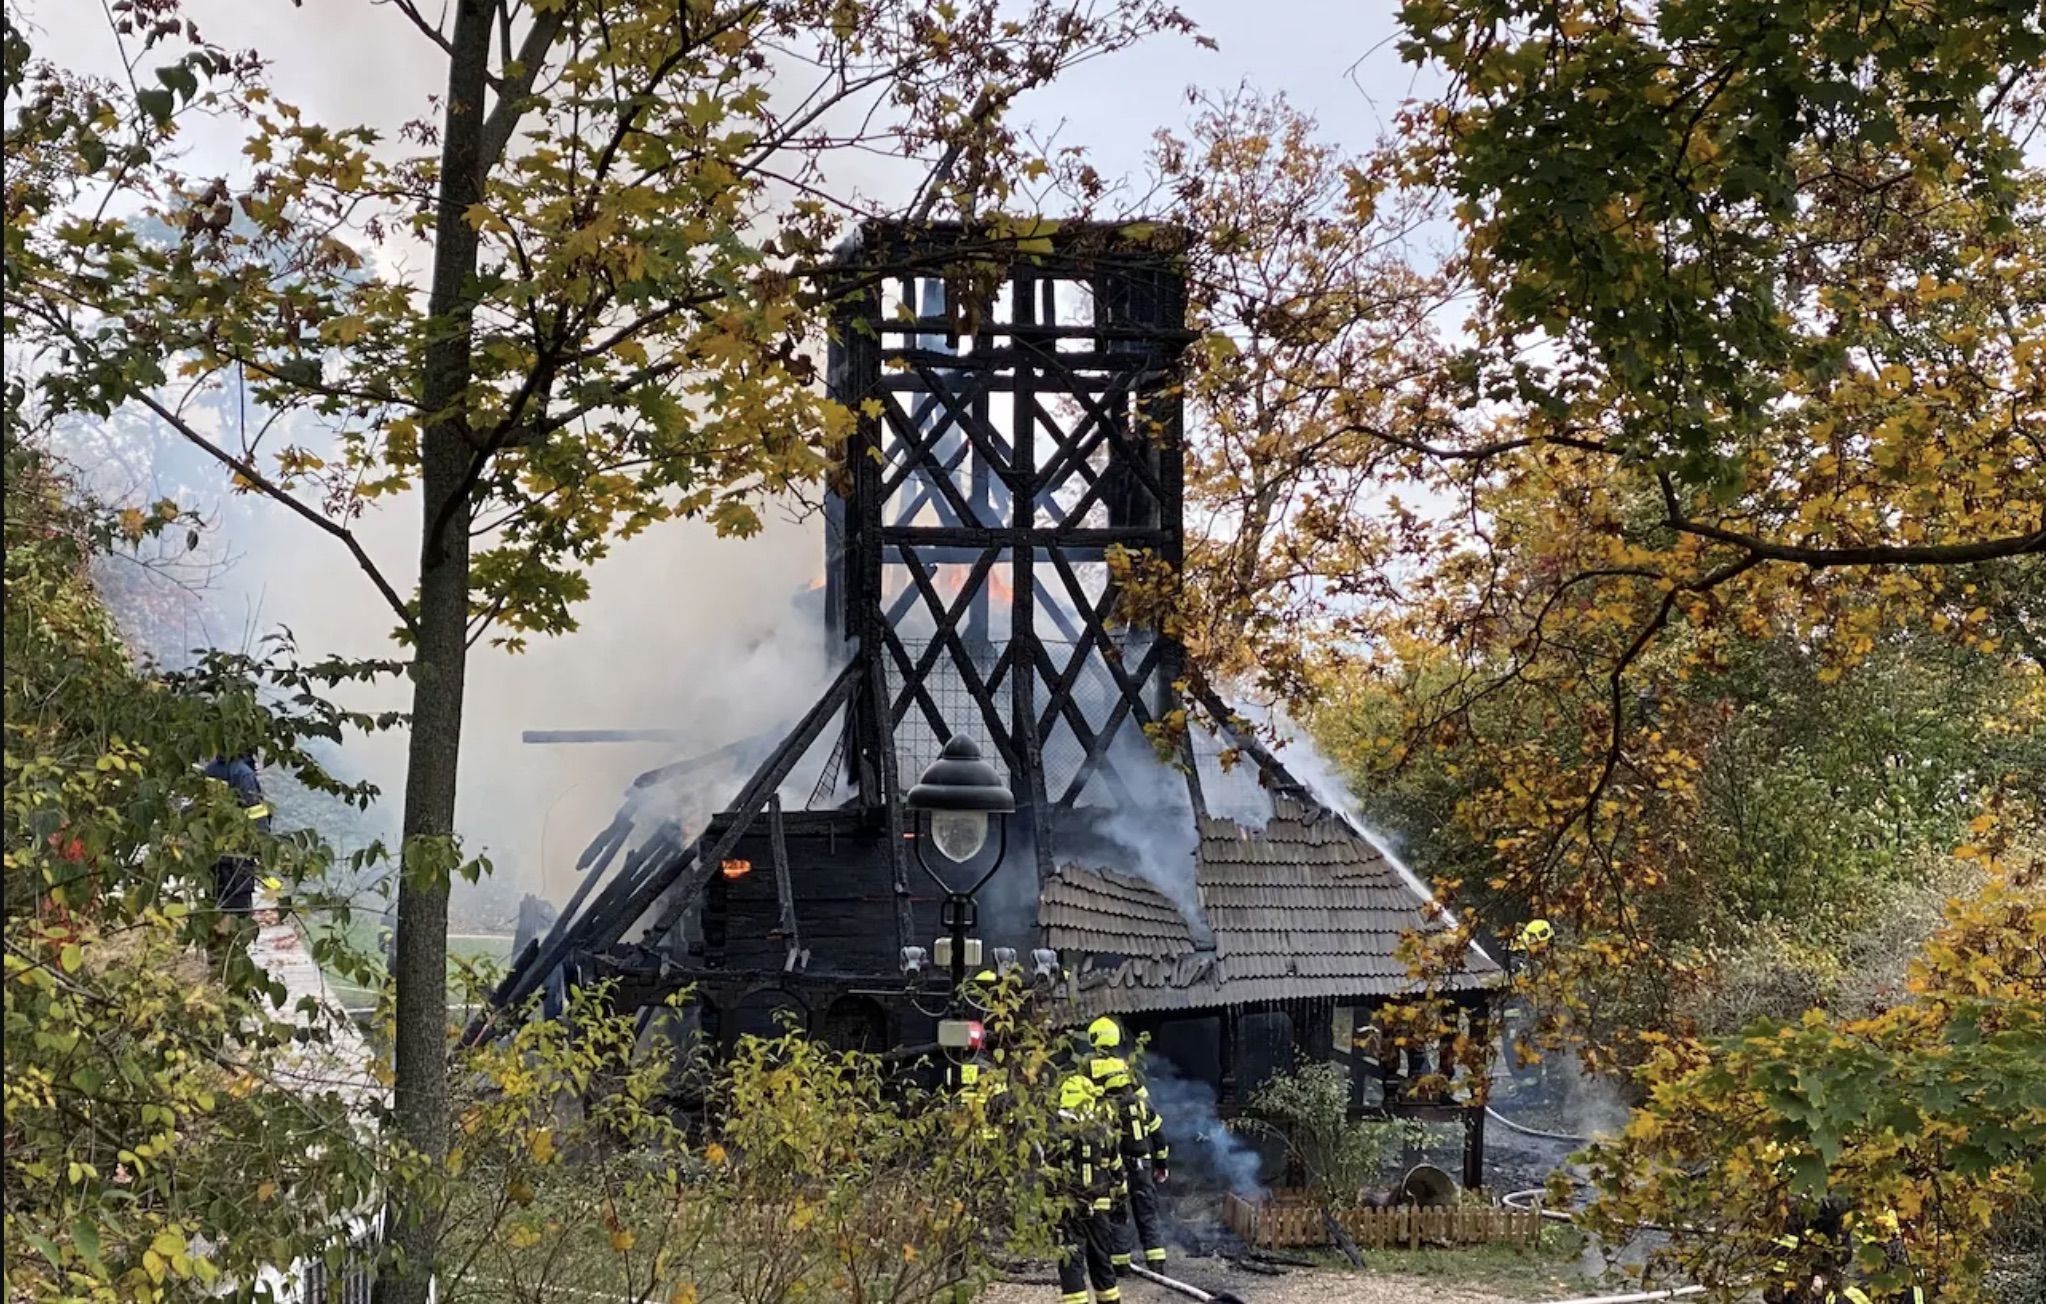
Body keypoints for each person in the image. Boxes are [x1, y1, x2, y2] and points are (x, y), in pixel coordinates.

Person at [1082, 1016, 1168, 1270]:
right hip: (1141, 1157)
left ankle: (1120, 1263)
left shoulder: (1087, 1069)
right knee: (1146, 1209)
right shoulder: (1128, 1070)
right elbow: (1155, 1124)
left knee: (1118, 1209)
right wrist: (1161, 1160)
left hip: (1113, 1159)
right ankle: (1157, 1261)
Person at [1051, 1073, 1122, 1304]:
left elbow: (1046, 1173)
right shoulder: (1102, 1130)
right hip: (1099, 1206)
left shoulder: (1055, 1132)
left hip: (1067, 1207)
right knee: (1101, 1260)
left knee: (1071, 1261)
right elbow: (1116, 1168)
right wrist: (1120, 1199)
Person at [200, 752, 271, 926]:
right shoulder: (243, 774)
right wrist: (264, 850)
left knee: (215, 904)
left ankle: (217, 947)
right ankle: (235, 948)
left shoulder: (210, 769)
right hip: (238, 856)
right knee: (238, 912)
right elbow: (256, 815)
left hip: (214, 852)